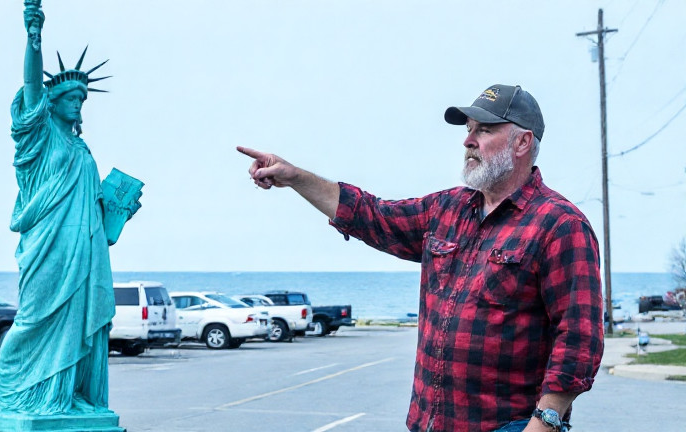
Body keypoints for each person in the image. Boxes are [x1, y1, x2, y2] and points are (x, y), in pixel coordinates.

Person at [237, 84, 604, 432]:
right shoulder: (447, 209)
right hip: (429, 422)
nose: (468, 140)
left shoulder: (560, 225)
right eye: (469, 129)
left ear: (523, 141)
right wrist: (296, 177)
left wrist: (545, 422)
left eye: (484, 130)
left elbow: (579, 337)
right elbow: (371, 215)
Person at [0, 3, 138, 415]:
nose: (77, 103)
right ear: (52, 102)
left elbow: (94, 210)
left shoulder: (82, 148)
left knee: (76, 321)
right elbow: (31, 83)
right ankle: (13, 389)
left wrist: (117, 212)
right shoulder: (39, 137)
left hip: (85, 249)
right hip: (46, 245)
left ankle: (65, 396)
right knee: (35, 316)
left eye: (82, 97)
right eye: (69, 96)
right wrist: (34, 38)